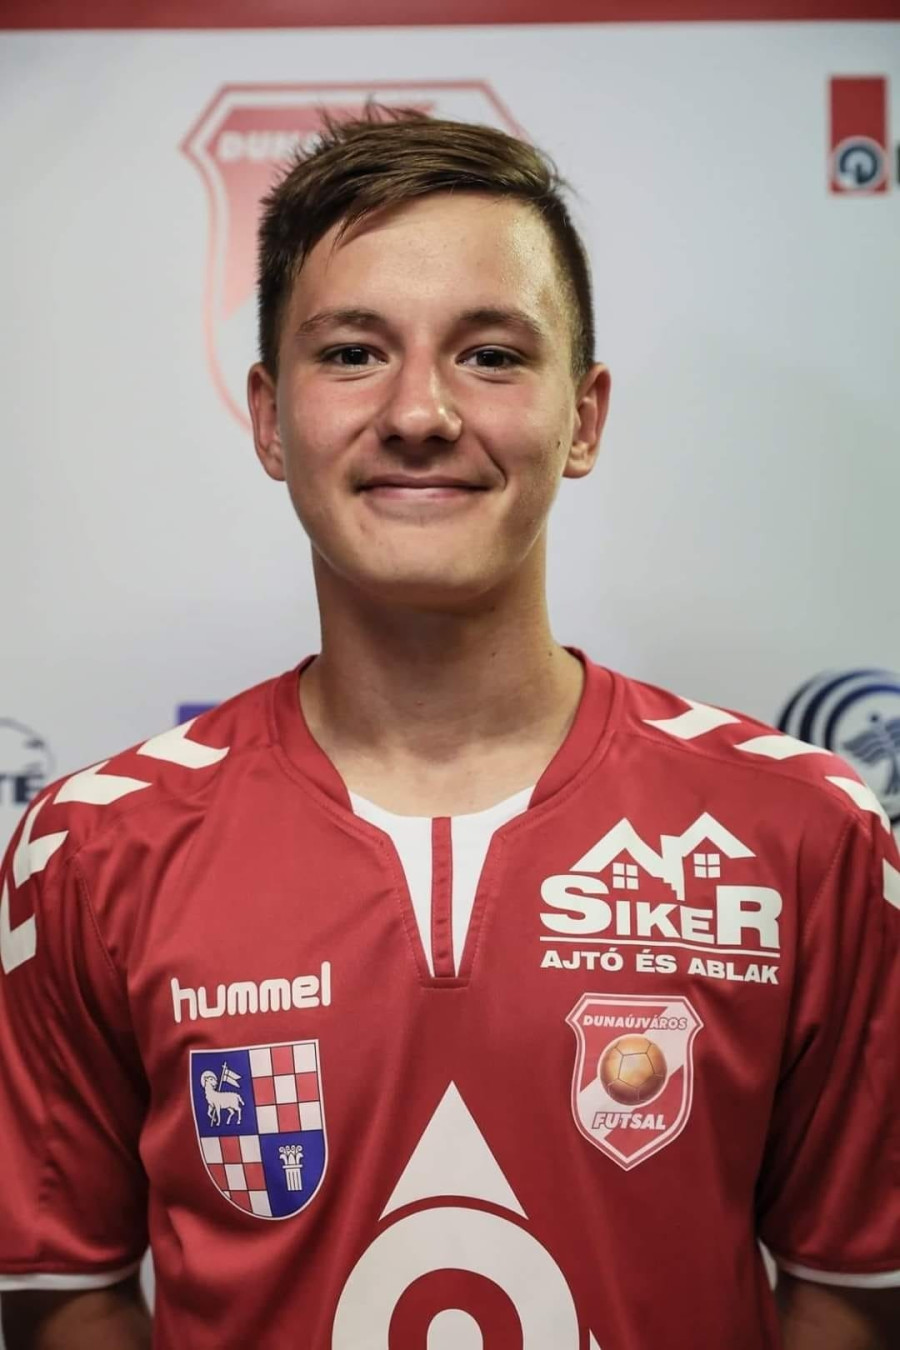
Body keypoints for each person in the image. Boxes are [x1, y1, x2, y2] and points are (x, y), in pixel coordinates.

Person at [0, 110, 897, 1350]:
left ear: (584, 418)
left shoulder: (801, 830)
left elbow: (852, 1289)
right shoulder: (95, 852)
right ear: (270, 419)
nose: (420, 412)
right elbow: (66, 1294)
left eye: (489, 354)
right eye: (353, 352)